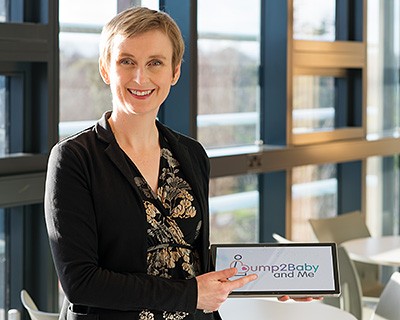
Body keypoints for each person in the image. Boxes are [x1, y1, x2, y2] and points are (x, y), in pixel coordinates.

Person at [44, 6, 258, 320]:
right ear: (106, 69)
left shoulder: (191, 154)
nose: (140, 77)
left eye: (155, 62)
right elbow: (81, 282)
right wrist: (190, 295)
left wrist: (278, 282)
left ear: (174, 72)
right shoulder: (73, 159)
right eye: (126, 61)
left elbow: (191, 257)